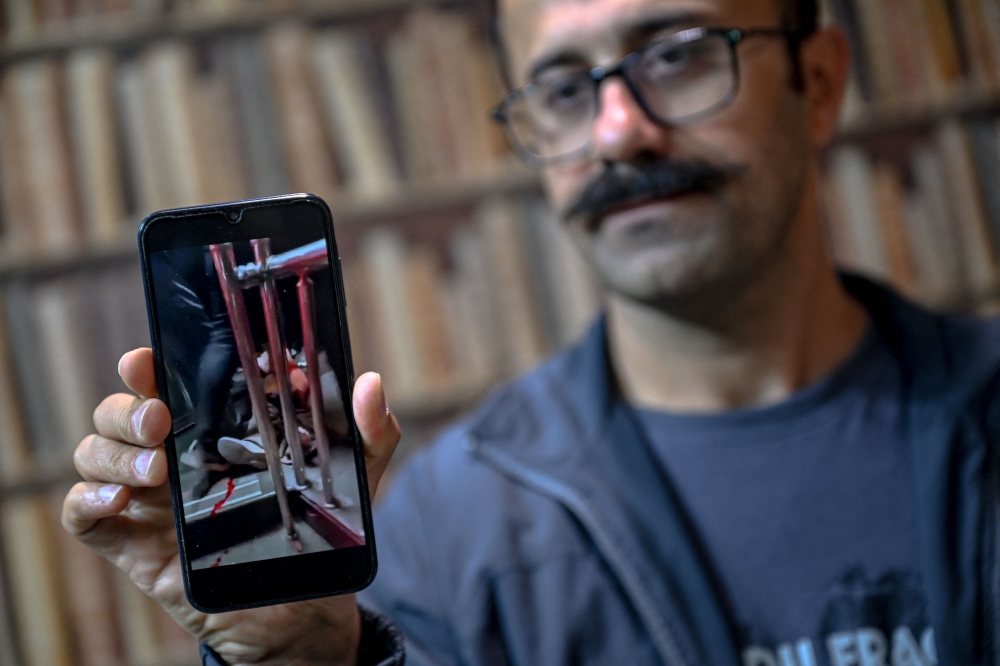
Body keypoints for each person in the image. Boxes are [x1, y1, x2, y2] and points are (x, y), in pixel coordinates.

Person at [63, 0, 1000, 663]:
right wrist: (303, 664)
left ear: (821, 81)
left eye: (675, 51)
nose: (618, 130)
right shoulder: (439, 534)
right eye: (562, 86)